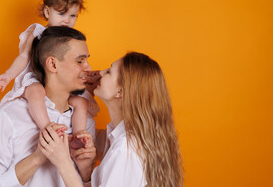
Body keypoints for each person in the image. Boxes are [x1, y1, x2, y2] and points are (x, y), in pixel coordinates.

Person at [0, 27, 97, 187]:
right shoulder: (7, 118)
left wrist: (86, 169)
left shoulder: (85, 122)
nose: (88, 67)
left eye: (87, 60)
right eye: (80, 61)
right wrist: (37, 157)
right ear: (52, 64)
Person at [40, 52, 184, 187]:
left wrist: (63, 162)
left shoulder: (124, 151)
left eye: (109, 71)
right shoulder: (120, 137)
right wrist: (86, 171)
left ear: (120, 91)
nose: (100, 73)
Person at [0, 0, 100, 142]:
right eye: (62, 14)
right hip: (37, 78)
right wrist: (8, 75)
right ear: (47, 12)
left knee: (81, 102)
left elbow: (74, 65)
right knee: (35, 91)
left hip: (61, 84)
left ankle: (79, 135)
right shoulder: (37, 33)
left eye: (72, 16)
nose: (67, 21)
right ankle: (47, 127)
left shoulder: (71, 38)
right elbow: (24, 56)